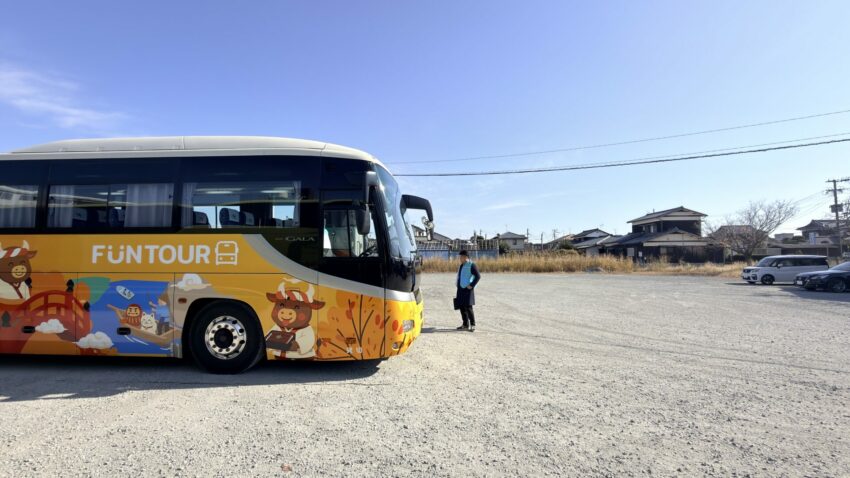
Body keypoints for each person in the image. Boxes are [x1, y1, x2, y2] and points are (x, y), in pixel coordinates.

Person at [455, 250, 481, 331]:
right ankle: (465, 324)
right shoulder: (461, 265)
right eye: (460, 257)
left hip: (467, 289)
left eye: (461, 257)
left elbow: (478, 276)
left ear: (466, 257)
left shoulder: (472, 265)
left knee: (468, 307)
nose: (460, 258)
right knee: (462, 307)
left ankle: (473, 325)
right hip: (460, 289)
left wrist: (471, 285)